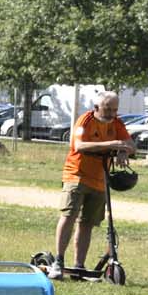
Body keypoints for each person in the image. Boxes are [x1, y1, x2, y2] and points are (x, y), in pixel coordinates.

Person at [51, 91, 135, 279]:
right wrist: (113, 144)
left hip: (99, 179)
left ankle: (79, 265)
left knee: (87, 223)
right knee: (69, 216)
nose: (111, 113)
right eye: (107, 109)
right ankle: (58, 261)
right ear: (96, 108)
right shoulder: (85, 121)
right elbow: (79, 146)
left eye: (114, 109)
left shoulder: (117, 123)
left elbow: (131, 144)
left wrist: (123, 152)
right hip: (77, 176)